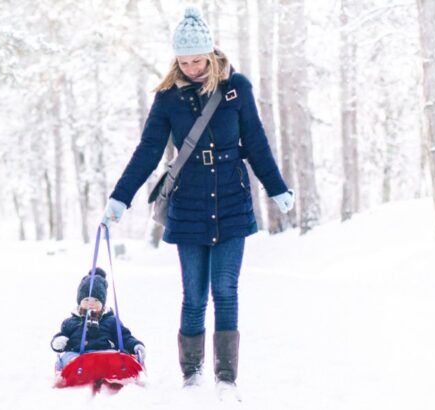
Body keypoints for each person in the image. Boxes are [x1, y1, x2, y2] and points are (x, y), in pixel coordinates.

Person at [100, 6, 295, 393]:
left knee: (225, 289)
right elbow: (148, 151)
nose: (190, 67)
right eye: (183, 60)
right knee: (193, 295)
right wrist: (120, 198)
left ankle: (226, 379)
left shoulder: (236, 88)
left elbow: (255, 143)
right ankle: (192, 375)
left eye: (196, 59)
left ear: (211, 53)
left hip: (232, 200)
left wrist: (277, 188)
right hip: (188, 204)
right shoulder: (168, 99)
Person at [51, 268, 145, 371]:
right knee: (67, 358)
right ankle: (74, 371)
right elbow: (62, 335)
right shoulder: (70, 322)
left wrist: (135, 345)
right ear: (79, 302)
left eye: (96, 300)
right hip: (77, 355)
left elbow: (124, 337)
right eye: (86, 299)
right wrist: (58, 342)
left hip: (105, 355)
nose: (91, 303)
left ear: (103, 303)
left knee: (118, 357)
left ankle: (117, 371)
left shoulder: (111, 320)